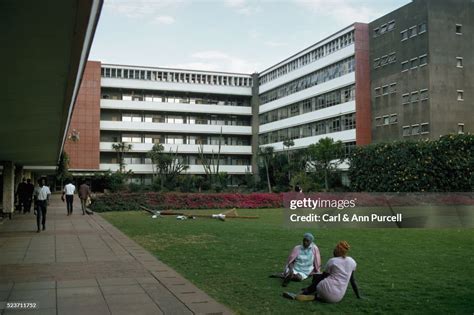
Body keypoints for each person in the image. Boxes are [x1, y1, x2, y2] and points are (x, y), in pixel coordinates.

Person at [283, 241, 361, 302]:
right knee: (318, 277)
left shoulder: (333, 261)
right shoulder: (352, 261)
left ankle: (300, 294)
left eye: (335, 249)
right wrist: (358, 296)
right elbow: (352, 281)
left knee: (318, 278)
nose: (333, 250)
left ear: (338, 251)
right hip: (338, 297)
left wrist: (308, 289)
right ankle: (316, 297)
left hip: (325, 289)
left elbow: (322, 278)